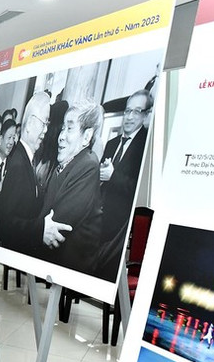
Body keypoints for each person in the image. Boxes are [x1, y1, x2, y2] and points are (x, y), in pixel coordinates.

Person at [0, 92, 70, 254]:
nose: (46, 130)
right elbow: (5, 223)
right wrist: (40, 229)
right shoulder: (18, 164)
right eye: (44, 123)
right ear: (30, 123)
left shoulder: (26, 159)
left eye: (47, 124)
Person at [38, 98, 103, 273]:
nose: (61, 136)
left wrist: (31, 229)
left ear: (87, 136)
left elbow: (59, 221)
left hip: (72, 267)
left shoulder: (88, 165)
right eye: (62, 128)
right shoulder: (67, 163)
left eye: (70, 128)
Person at [96, 90, 152, 280]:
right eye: (128, 111)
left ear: (145, 115)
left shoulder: (146, 146)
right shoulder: (111, 144)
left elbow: (139, 188)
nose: (129, 117)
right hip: (99, 220)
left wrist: (113, 176)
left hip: (121, 228)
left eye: (136, 111)